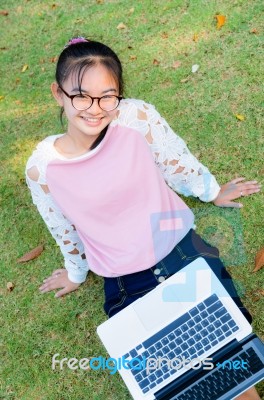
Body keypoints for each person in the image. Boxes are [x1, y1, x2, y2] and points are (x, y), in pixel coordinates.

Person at [25, 37, 261, 399]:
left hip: (184, 255)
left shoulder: (134, 117)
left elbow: (173, 158)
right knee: (176, 386)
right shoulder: (43, 168)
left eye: (108, 95)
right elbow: (62, 226)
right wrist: (76, 272)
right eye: (81, 95)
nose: (95, 108)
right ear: (59, 94)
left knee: (230, 370)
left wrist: (211, 191)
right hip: (124, 283)